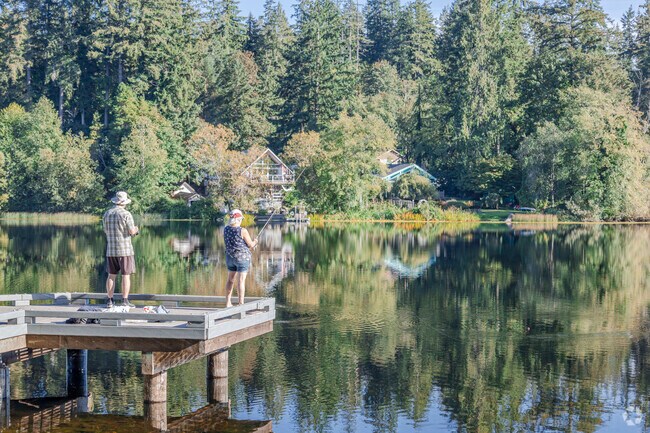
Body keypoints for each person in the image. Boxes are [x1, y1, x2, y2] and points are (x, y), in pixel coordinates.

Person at [103, 191, 139, 308]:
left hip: (111, 250)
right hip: (125, 250)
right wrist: (136, 229)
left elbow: (105, 231)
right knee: (125, 275)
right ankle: (125, 300)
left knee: (111, 275)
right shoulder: (126, 214)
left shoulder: (106, 214)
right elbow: (131, 231)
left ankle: (110, 300)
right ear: (124, 202)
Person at [224, 209, 258, 307]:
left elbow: (235, 243)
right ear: (238, 219)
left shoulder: (226, 229)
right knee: (241, 280)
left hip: (230, 258)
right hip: (242, 258)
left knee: (230, 280)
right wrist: (255, 241)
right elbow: (251, 245)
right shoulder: (242, 231)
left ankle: (228, 303)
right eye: (241, 219)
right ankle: (241, 304)